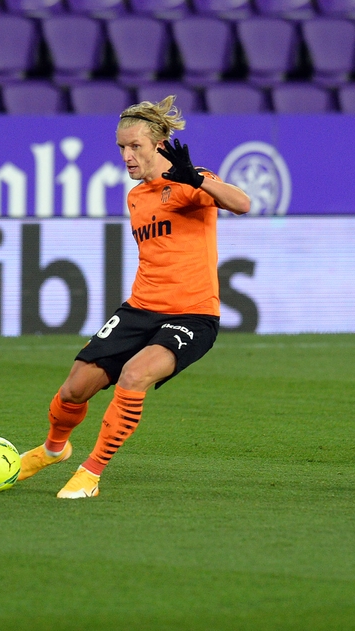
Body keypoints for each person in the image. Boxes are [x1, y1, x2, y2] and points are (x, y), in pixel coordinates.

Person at [17, 95, 251, 499]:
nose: (126, 156)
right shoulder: (136, 196)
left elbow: (242, 204)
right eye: (121, 148)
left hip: (193, 316)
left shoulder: (193, 181)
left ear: (158, 145)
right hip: (140, 310)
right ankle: (53, 449)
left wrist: (196, 180)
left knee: (135, 375)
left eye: (134, 147)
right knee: (74, 388)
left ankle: (91, 473)